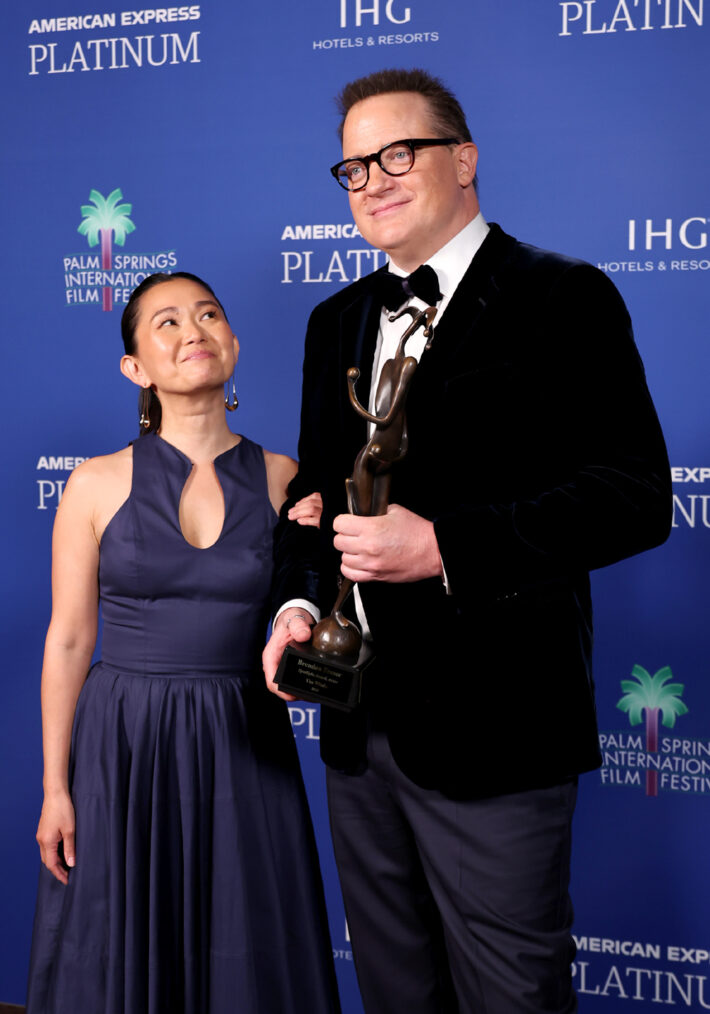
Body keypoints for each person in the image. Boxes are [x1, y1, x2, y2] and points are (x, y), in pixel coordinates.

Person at [263, 68, 672, 1014]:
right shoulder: (337, 323)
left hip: (497, 727)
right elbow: (314, 507)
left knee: (510, 995)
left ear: (465, 159)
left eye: (398, 153)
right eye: (354, 166)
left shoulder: (562, 296)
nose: (373, 179)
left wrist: (446, 545)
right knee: (398, 990)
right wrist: (293, 602)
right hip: (360, 729)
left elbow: (634, 496)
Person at [26, 272, 340, 1014]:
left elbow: (312, 603)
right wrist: (54, 787)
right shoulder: (94, 484)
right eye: (165, 322)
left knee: (246, 943)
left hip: (243, 738)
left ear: (232, 342)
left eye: (207, 314)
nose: (192, 329)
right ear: (136, 368)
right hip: (122, 741)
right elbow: (69, 640)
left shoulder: (288, 479)